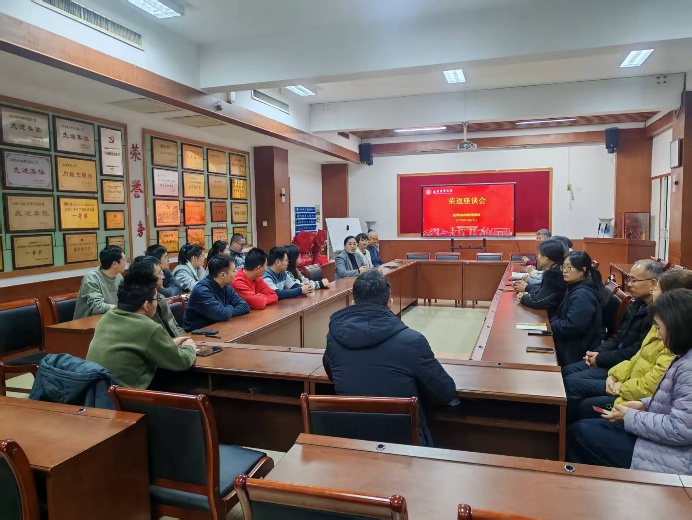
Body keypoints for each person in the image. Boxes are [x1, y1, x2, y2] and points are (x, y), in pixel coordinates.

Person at [324, 270, 459, 447]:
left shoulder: (334, 339)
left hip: (354, 444)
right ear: (390, 303)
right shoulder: (412, 341)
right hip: (405, 447)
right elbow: (445, 393)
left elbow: (331, 373)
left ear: (352, 302)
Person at [566, 289, 692, 475]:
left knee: (579, 433)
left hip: (674, 458)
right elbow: (673, 402)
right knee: (581, 427)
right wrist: (644, 404)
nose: (658, 335)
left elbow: (680, 429)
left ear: (677, 328)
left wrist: (631, 416)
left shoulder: (688, 367)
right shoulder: (683, 355)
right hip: (655, 434)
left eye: (659, 328)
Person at [568, 269, 692, 421]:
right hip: (626, 380)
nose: (653, 291)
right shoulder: (653, 319)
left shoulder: (674, 337)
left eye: (656, 288)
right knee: (568, 383)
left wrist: (621, 386)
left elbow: (653, 384)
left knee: (579, 404)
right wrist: (614, 376)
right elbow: (636, 357)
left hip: (634, 394)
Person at [562, 259, 665, 391]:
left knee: (567, 383)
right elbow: (618, 336)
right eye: (629, 279)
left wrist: (600, 358)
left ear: (653, 283)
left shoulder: (656, 317)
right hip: (611, 358)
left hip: (622, 367)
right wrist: (598, 352)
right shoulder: (637, 305)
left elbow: (634, 352)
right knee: (562, 373)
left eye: (634, 280)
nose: (629, 284)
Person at [85, 270, 196, 389]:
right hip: (129, 396)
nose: (157, 302)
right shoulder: (148, 327)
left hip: (97, 392)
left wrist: (170, 344)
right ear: (146, 305)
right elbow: (182, 362)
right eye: (156, 299)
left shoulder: (106, 318)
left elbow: (134, 346)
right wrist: (189, 347)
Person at [550, 251, 603, 366]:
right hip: (568, 342)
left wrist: (550, 326)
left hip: (576, 350)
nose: (564, 271)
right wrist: (551, 323)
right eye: (563, 267)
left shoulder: (583, 295)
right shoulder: (573, 286)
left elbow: (573, 326)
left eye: (569, 268)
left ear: (583, 270)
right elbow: (560, 315)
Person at [183, 255, 250, 332]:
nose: (236, 273)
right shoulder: (202, 291)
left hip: (219, 328)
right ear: (223, 275)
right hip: (198, 334)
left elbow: (244, 306)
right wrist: (230, 308)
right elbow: (222, 315)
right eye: (233, 271)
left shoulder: (226, 287)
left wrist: (227, 310)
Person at [129, 256, 185, 338]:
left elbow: (176, 327)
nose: (163, 277)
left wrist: (186, 339)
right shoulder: (140, 306)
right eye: (159, 273)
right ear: (148, 278)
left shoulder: (160, 297)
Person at [515, 239, 567, 317]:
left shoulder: (554, 274)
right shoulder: (558, 270)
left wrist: (523, 298)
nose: (537, 257)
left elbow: (542, 301)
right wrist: (528, 293)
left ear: (547, 257)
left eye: (539, 254)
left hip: (554, 317)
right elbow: (544, 291)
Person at [73, 245, 126, 319]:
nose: (126, 263)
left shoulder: (118, 276)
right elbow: (97, 307)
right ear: (114, 264)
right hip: (88, 322)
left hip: (110, 317)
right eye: (124, 260)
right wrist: (122, 308)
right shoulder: (91, 278)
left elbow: (125, 297)